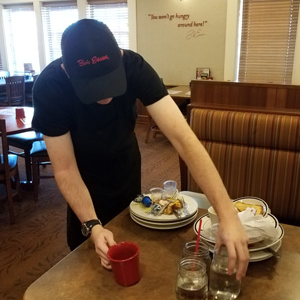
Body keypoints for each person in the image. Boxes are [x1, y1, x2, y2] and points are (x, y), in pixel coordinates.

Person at [32, 19, 249, 280]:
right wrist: (92, 225)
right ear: (67, 71)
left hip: (125, 163)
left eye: (110, 83)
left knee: (133, 236)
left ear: (120, 57)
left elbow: (184, 140)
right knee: (87, 266)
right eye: (93, 88)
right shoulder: (50, 87)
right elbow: (66, 169)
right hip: (82, 174)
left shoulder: (134, 66)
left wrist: (227, 214)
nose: (105, 97)